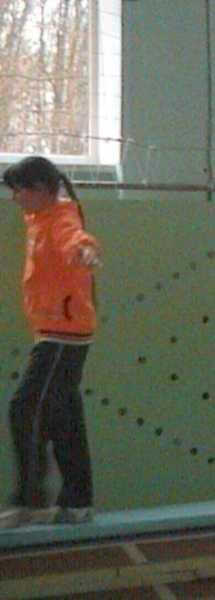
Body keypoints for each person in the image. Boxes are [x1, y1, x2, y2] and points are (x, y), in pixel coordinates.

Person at [0, 156, 101, 528]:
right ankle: (77, 503)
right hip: (55, 332)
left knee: (24, 408)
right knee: (63, 417)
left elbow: (75, 238)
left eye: (18, 191)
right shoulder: (39, 218)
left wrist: (85, 249)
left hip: (63, 335)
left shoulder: (60, 218)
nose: (15, 198)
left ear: (41, 190)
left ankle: (30, 500)